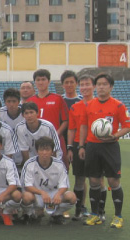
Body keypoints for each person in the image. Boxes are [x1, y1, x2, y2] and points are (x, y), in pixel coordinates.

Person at [79, 73, 129, 228]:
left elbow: (127, 125)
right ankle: (95, 215)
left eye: (104, 84)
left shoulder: (118, 105)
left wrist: (115, 135)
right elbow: (84, 126)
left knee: (113, 181)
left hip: (110, 147)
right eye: (98, 84)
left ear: (111, 87)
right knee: (94, 181)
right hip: (92, 146)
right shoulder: (89, 105)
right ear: (96, 87)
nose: (101, 87)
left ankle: (118, 216)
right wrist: (82, 146)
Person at [20, 137, 77, 224]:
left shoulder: (59, 164)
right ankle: (31, 214)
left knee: (71, 197)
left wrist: (58, 194)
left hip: (54, 195)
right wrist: (42, 193)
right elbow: (27, 186)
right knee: (26, 196)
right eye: (42, 150)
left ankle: (56, 214)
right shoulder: (29, 164)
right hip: (37, 195)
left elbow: (64, 185)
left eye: (47, 150)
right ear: (37, 151)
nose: (44, 153)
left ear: (52, 151)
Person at [67, 75, 95, 220]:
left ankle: (97, 211)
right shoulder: (75, 106)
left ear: (94, 86)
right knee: (79, 178)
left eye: (87, 84)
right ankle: (78, 209)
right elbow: (71, 129)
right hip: (78, 145)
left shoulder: (98, 104)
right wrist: (70, 147)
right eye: (82, 85)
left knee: (96, 179)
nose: (84, 87)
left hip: (95, 144)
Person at [26, 69, 69, 166]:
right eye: (38, 80)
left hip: (54, 139)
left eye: (43, 79)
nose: (41, 82)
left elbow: (65, 120)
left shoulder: (57, 99)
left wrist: (56, 134)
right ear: (35, 82)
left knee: (59, 167)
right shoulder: (30, 101)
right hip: (36, 141)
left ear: (49, 81)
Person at [0, 88, 24, 165]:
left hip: (22, 149)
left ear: (18, 101)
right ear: (5, 102)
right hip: (4, 150)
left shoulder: (25, 113)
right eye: (9, 101)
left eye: (14, 101)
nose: (11, 104)